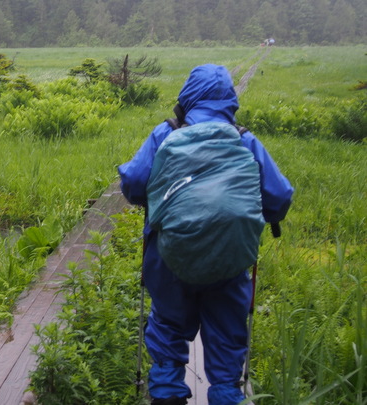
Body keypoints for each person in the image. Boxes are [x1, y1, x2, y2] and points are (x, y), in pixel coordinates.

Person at [118, 64, 293, 405]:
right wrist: (264, 215)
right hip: (229, 260)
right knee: (227, 333)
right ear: (229, 100)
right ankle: (226, 393)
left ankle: (168, 393)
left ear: (186, 98)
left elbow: (134, 183)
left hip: (170, 257)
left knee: (168, 323)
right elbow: (280, 195)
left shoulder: (165, 134)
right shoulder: (244, 140)